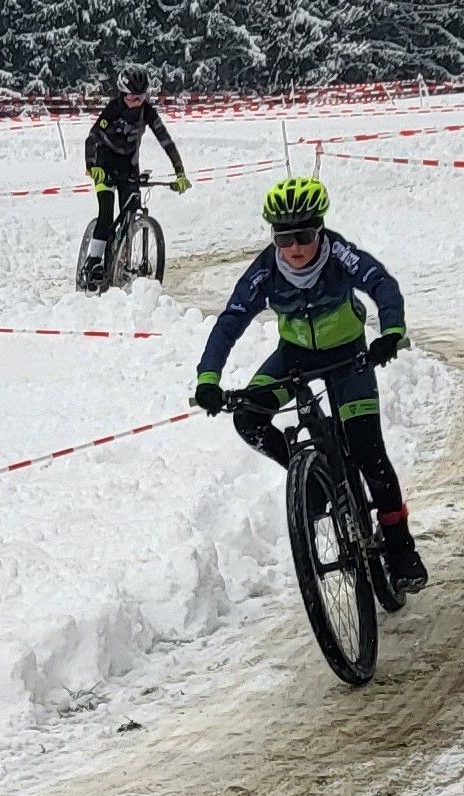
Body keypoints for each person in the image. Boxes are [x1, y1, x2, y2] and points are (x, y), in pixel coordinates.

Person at [193, 176, 428, 593]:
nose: (295, 248)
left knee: (370, 453)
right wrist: (208, 377)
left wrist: (390, 331)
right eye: (284, 238)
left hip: (347, 357)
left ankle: (400, 547)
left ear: (319, 229)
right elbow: (231, 320)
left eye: (303, 236)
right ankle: (316, 480)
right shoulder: (266, 269)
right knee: (248, 417)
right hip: (295, 356)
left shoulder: (339, 254)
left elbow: (381, 283)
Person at [82, 64, 191, 291]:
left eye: (141, 97)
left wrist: (180, 172)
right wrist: (92, 166)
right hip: (104, 165)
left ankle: (122, 259)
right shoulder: (113, 109)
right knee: (105, 214)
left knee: (131, 211)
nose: (136, 102)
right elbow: (91, 138)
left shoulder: (147, 112)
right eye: (132, 97)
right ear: (122, 93)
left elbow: (166, 141)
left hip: (129, 167)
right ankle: (93, 263)